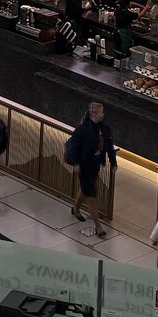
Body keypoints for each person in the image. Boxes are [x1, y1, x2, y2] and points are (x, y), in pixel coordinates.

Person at [64, 102, 116, 238]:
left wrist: (113, 162)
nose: (103, 115)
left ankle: (76, 208)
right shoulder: (83, 129)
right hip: (84, 165)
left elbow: (109, 146)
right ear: (94, 114)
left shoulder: (104, 128)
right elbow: (71, 146)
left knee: (86, 188)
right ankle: (98, 226)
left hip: (95, 164)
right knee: (92, 195)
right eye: (101, 113)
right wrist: (75, 162)